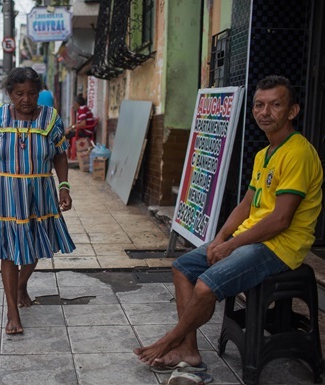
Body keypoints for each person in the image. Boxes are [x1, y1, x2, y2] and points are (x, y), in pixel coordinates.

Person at [134, 75, 323, 370]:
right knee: (182, 268)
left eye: (275, 105)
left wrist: (233, 244)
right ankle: (190, 351)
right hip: (253, 239)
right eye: (259, 105)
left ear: (292, 111)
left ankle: (170, 340)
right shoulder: (264, 154)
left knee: (206, 287)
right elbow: (246, 205)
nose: (265, 112)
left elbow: (281, 220)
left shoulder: (297, 152)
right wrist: (221, 238)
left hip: (281, 247)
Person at [0, 67, 76, 335]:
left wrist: (64, 187)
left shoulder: (50, 118)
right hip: (5, 193)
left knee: (35, 246)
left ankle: (22, 283)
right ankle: (12, 312)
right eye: (19, 93)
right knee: (8, 251)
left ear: (39, 93)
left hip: (39, 191)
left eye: (32, 93)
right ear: (10, 93)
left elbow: (60, 154)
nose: (25, 99)